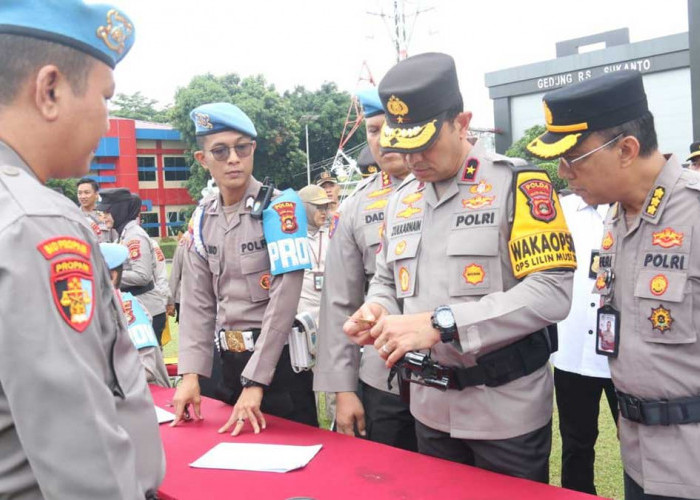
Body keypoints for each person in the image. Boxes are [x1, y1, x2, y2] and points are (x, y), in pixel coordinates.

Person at [343, 52, 576, 482]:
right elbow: (385, 281)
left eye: (425, 144)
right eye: (403, 146)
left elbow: (551, 291)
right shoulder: (402, 199)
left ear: (462, 122)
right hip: (430, 408)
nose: (412, 160)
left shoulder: (517, 185)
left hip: (506, 412)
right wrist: (377, 309)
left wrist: (443, 323)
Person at [0, 2, 164, 498]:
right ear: (50, 90)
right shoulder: (38, 223)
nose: (106, 120)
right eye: (105, 97)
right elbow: (78, 441)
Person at [527, 69, 700, 499]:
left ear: (626, 149)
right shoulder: (619, 215)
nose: (563, 172)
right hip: (641, 455)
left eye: (574, 157)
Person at [172, 102, 317, 435]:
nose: (233, 159)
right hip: (225, 364)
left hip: (277, 370)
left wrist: (256, 381)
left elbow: (283, 301)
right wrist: (190, 374)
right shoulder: (202, 218)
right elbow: (196, 302)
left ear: (253, 150)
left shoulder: (281, 210)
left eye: (242, 148)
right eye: (220, 151)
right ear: (202, 159)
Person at [314, 87, 417, 450]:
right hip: (383, 377)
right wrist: (344, 389)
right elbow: (339, 303)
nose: (383, 138)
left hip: (452, 376)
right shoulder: (356, 207)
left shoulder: (454, 189)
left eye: (390, 126)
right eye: (373, 130)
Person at [552, 192, 618, 495]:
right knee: (576, 445)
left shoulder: (631, 203)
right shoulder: (559, 210)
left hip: (626, 357)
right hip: (572, 350)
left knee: (642, 447)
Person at [97, 189, 168, 344]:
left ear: (118, 211)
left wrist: (108, 276)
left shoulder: (134, 236)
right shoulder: (123, 234)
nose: (104, 218)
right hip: (137, 310)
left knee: (147, 363)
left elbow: (142, 275)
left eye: (107, 213)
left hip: (147, 311)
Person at [100, 243, 170, 387]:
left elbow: (146, 369)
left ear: (112, 277)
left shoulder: (127, 306)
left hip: (146, 398)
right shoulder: (92, 309)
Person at [77, 176, 114, 242]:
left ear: (96, 194)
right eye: (79, 193)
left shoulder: (106, 215)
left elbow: (115, 240)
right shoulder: (74, 216)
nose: (82, 196)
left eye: (87, 192)